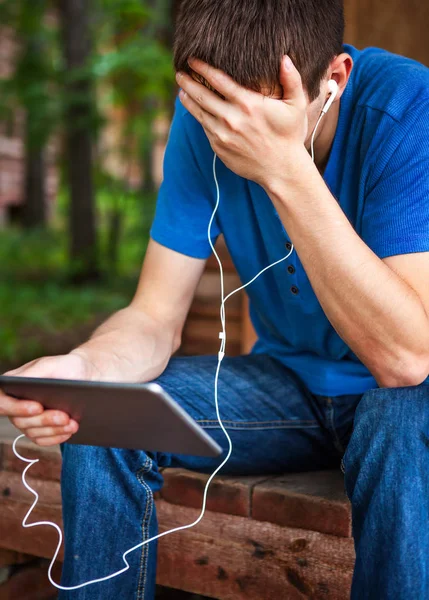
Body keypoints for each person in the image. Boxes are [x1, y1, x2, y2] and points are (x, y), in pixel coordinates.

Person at [2, 0, 429, 598]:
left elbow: (408, 357)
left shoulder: (408, 108)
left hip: (401, 402)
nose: (232, 138)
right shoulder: (207, 119)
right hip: (292, 390)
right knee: (102, 416)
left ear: (333, 81)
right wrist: (85, 369)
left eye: (256, 122)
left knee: (403, 411)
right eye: (215, 118)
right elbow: (153, 317)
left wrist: (285, 170)